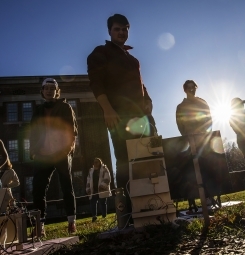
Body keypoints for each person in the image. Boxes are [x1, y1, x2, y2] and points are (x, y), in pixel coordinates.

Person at [87, 14, 156, 222]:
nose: (121, 32)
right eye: (117, 29)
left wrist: (148, 100)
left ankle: (151, 206)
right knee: (125, 161)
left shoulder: (133, 60)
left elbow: (140, 85)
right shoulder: (100, 53)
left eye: (125, 29)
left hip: (141, 118)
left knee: (147, 159)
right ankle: (125, 214)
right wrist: (107, 109)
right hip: (118, 116)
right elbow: (96, 83)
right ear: (109, 31)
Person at [29, 78, 78, 235]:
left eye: (52, 88)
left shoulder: (65, 107)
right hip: (42, 156)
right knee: (38, 189)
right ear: (42, 92)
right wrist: (34, 151)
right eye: (46, 88)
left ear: (57, 91)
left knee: (66, 187)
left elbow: (72, 130)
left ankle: (71, 222)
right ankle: (40, 225)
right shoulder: (38, 110)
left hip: (60, 153)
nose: (49, 90)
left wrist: (68, 149)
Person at [176, 80, 212, 213]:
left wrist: (205, 134)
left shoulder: (202, 102)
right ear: (185, 90)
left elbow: (209, 119)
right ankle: (192, 202)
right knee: (191, 171)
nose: (191, 90)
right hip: (190, 141)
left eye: (193, 87)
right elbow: (180, 125)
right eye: (189, 88)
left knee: (206, 168)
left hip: (203, 140)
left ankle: (209, 197)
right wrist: (188, 137)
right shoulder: (181, 107)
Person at [86, 158, 112, 222]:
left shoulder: (104, 169)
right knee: (92, 203)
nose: (95, 163)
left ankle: (104, 216)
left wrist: (103, 185)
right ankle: (94, 216)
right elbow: (88, 181)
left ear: (100, 162)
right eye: (94, 162)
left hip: (101, 189)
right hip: (93, 190)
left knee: (103, 203)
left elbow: (107, 178)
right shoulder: (91, 171)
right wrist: (88, 189)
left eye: (97, 162)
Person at [0, 140, 20, 211]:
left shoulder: (10, 171)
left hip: (6, 194)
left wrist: (8, 186)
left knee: (8, 211)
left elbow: (17, 182)